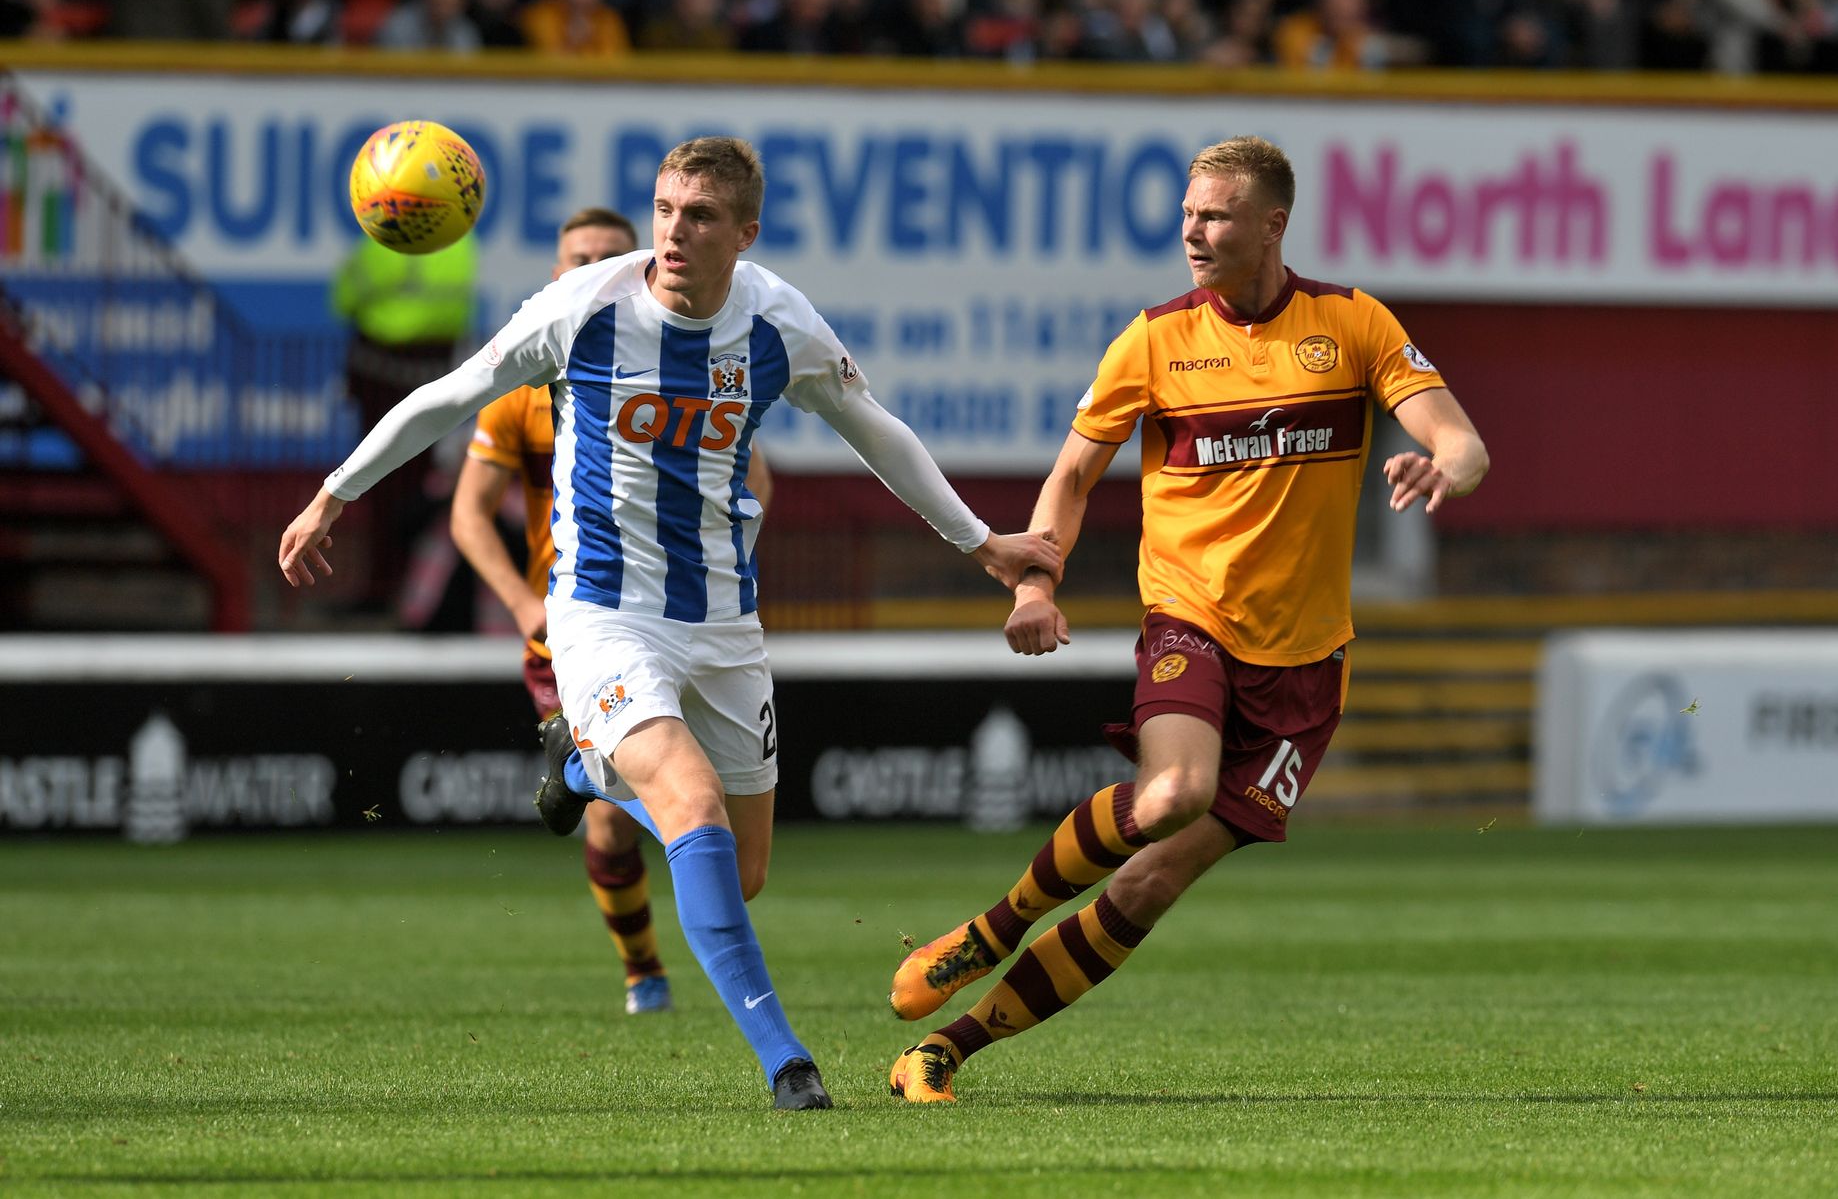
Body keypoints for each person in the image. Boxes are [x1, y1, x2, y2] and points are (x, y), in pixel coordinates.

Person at [279, 136, 1062, 1111]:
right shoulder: (583, 308)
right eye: (663, 209)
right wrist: (331, 495)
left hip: (725, 624)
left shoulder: (778, 323)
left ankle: (578, 765)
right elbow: (447, 396)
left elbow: (878, 432)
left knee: (744, 871)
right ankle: (787, 1065)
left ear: (745, 233)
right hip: (604, 617)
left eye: (698, 216)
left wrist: (980, 543)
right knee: (687, 809)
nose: (673, 232)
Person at [885, 135, 1489, 1103]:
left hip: (1306, 668)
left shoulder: (1352, 324)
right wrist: (1033, 585)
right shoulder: (1154, 337)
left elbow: (1460, 441)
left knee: (1146, 886)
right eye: (1185, 216)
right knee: (1168, 794)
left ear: (1270, 224)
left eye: (1212, 216)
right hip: (1189, 618)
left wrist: (1440, 468)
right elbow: (1072, 475)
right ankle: (990, 931)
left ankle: (942, 1051)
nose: (1191, 233)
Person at [449, 205, 771, 1017]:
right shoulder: (525, 389)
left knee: (721, 846)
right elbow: (467, 513)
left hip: (686, 618)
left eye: (604, 252)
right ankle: (644, 975)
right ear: (557, 272)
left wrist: (723, 562)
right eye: (574, 255)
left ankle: (577, 771)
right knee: (623, 823)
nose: (588, 265)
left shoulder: (680, 356)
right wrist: (526, 603)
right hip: (581, 621)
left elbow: (753, 475)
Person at [330, 227, 479, 613]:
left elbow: (344, 298)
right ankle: (415, 587)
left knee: (378, 485)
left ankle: (385, 586)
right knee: (422, 486)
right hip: (437, 370)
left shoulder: (386, 241)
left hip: (383, 373)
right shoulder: (459, 241)